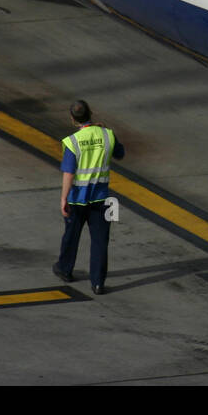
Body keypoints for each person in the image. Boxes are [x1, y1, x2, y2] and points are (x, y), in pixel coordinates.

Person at [53, 99, 124, 294]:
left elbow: (69, 172)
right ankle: (98, 282)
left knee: (71, 236)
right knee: (100, 241)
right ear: (91, 113)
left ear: (72, 119)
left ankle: (65, 269)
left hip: (77, 199)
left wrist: (63, 198)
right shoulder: (108, 135)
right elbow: (120, 154)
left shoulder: (73, 142)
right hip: (102, 199)